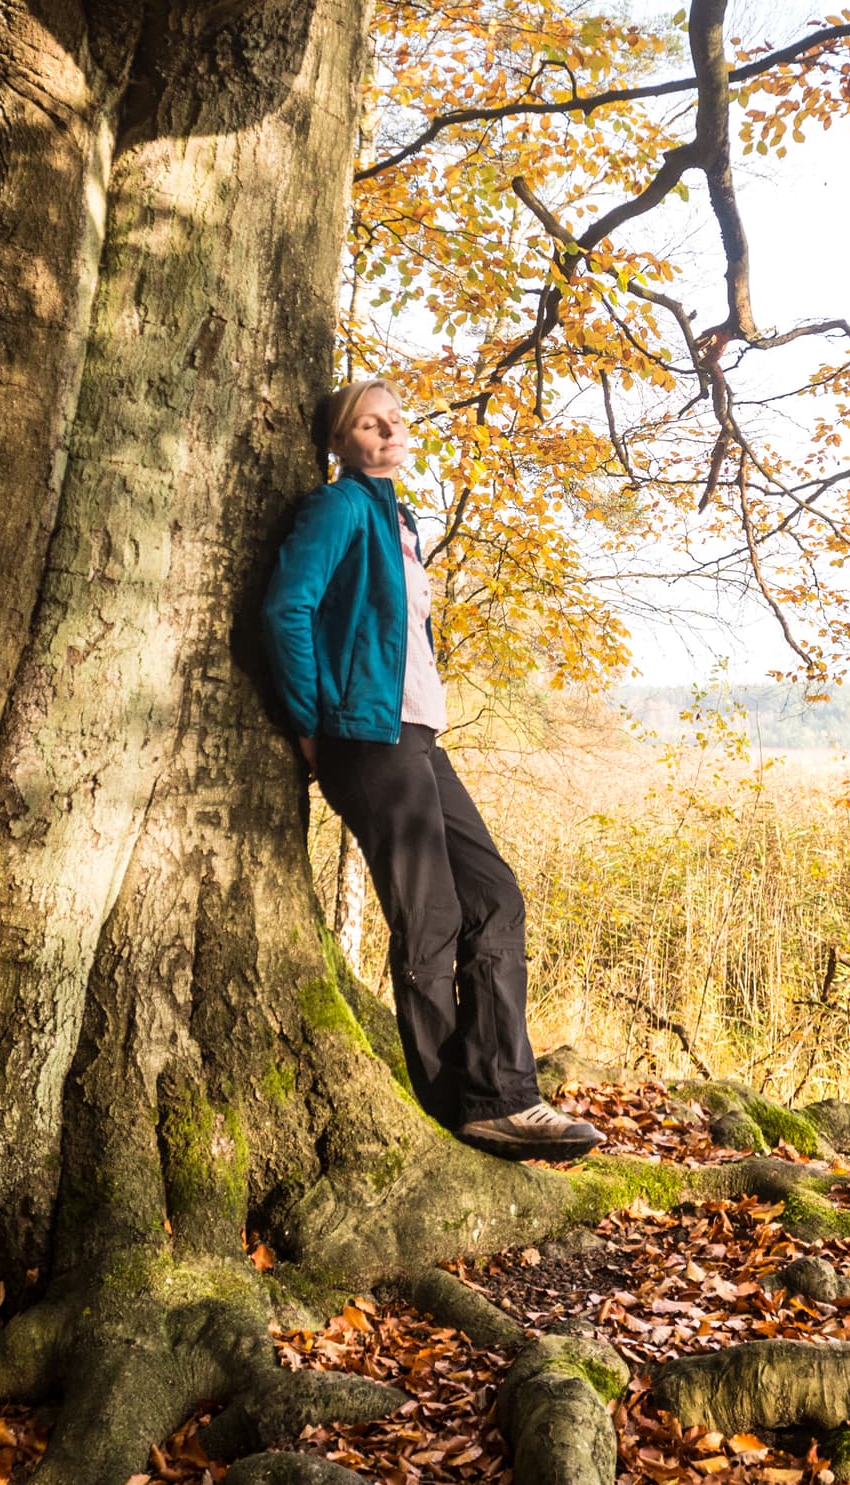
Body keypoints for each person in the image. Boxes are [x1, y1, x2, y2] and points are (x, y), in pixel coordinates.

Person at [256, 378, 603, 1163]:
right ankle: (458, 1108)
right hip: (365, 739)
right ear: (340, 442)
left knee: (495, 897)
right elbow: (287, 609)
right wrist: (310, 724)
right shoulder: (339, 508)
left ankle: (501, 1096)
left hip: (417, 735)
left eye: (394, 420)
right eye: (367, 424)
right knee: (432, 919)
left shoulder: (402, 522)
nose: (387, 432)